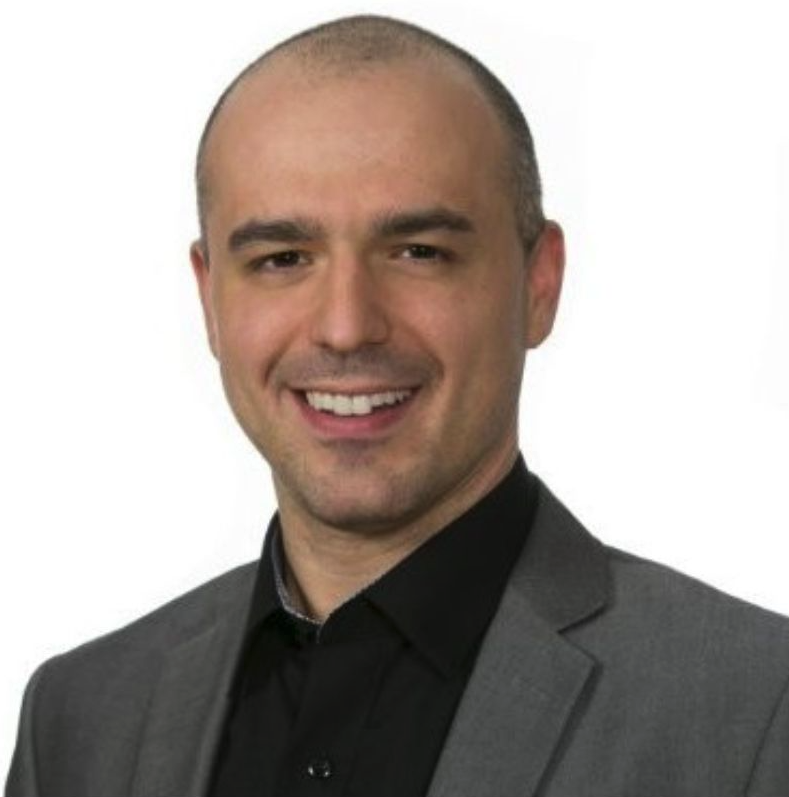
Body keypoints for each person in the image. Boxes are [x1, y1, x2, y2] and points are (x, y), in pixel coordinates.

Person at [6, 13, 789, 797]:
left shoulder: (755, 707)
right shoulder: (79, 718)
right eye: (282, 258)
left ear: (538, 283)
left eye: (418, 252)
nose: (346, 325)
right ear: (210, 298)